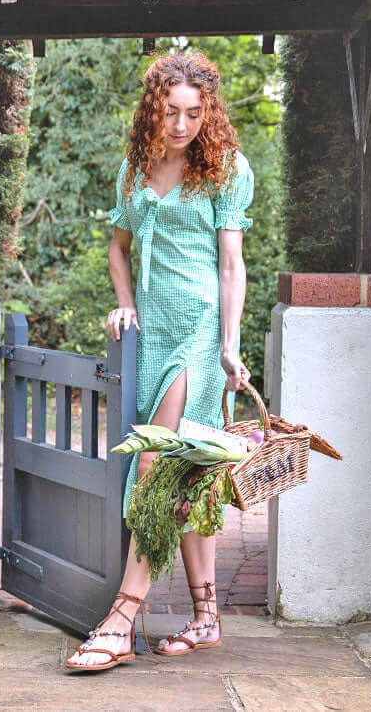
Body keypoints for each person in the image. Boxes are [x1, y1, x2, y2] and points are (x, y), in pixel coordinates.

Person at [65, 51, 254, 671]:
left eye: (194, 113)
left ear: (209, 112)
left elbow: (232, 266)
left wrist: (229, 345)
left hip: (199, 331)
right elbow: (118, 251)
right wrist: (124, 305)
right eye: (171, 112)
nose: (182, 125)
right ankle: (206, 618)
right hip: (153, 332)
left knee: (156, 464)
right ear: (154, 109)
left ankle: (122, 616)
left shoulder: (225, 169)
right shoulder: (136, 170)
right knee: (192, 469)